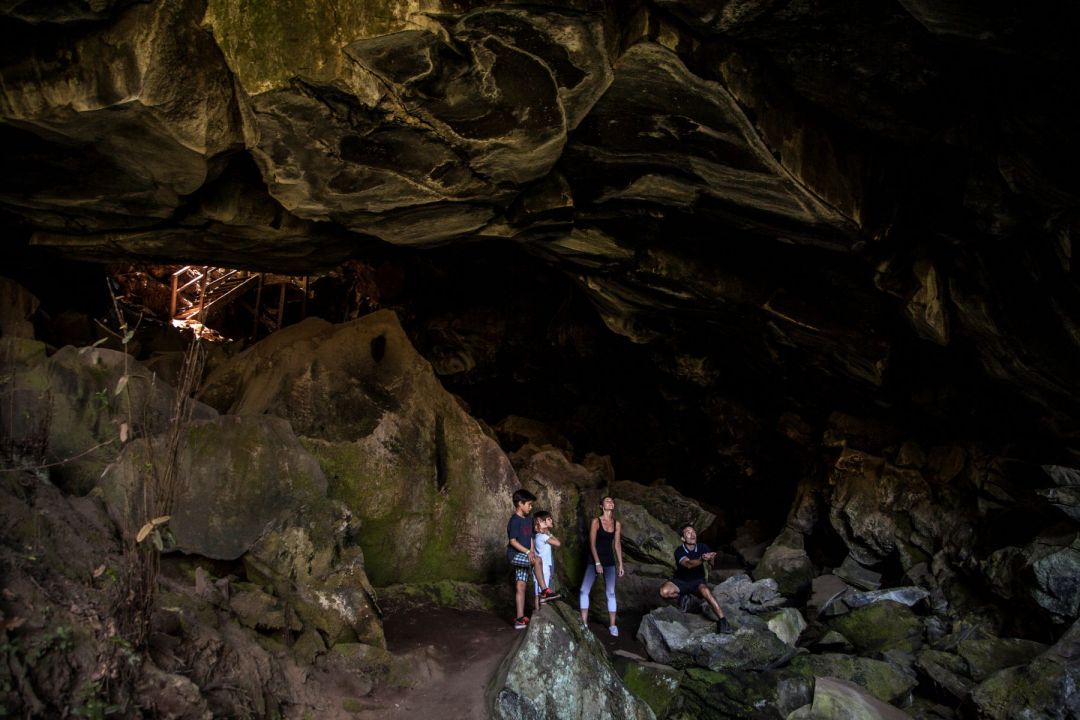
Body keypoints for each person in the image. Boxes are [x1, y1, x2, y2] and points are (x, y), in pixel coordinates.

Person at [659, 523, 732, 633]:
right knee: (664, 592)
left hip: (697, 581)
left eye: (693, 532)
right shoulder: (679, 550)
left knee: (706, 591)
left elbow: (712, 565)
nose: (692, 534)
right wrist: (702, 559)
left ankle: (723, 621)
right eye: (688, 532)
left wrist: (712, 558)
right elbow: (688, 564)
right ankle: (682, 598)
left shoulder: (703, 547)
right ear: (683, 538)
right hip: (681, 581)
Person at [507, 489, 560, 629]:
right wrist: (529, 552)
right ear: (520, 504)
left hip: (525, 554)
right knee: (537, 561)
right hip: (514, 555)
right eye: (529, 504)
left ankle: (519, 619)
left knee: (520, 586)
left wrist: (532, 551)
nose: (531, 507)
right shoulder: (514, 520)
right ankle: (545, 590)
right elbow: (512, 541)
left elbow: (531, 538)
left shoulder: (529, 520)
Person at [579, 496, 625, 636]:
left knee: (610, 592)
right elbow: (592, 543)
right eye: (607, 501)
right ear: (601, 506)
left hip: (609, 561)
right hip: (594, 560)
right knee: (583, 590)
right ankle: (584, 624)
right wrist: (597, 562)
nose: (610, 503)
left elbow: (616, 544)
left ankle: (612, 625)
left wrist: (620, 564)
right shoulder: (596, 521)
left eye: (612, 501)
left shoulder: (616, 524)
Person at [532, 510, 561, 613]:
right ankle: (539, 616)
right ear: (541, 522)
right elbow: (558, 543)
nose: (551, 520)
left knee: (540, 595)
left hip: (544, 568)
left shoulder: (539, 536)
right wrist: (549, 533)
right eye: (548, 519)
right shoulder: (542, 536)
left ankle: (541, 615)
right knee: (540, 595)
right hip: (542, 569)